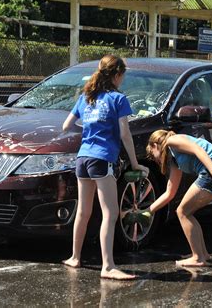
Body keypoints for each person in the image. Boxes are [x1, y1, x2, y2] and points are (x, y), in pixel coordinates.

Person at [62, 54, 148, 280]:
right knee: (109, 213)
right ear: (118, 74)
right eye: (123, 76)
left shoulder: (87, 96)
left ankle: (75, 257)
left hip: (83, 158)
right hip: (102, 159)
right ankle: (108, 266)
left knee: (83, 211)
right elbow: (125, 134)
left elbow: (66, 125)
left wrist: (91, 131)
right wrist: (135, 162)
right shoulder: (118, 99)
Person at [141, 129, 212, 267]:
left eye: (152, 154)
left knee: (182, 212)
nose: (155, 159)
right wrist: (148, 211)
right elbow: (169, 193)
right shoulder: (175, 160)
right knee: (186, 212)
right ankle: (203, 254)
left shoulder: (172, 141)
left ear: (154, 145)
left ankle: (198, 257)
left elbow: (198, 150)